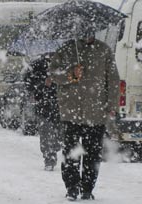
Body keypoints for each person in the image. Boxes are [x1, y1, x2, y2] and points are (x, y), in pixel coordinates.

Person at [45, 30, 120, 200]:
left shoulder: (104, 50)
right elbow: (53, 74)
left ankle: (87, 188)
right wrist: (70, 74)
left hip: (96, 112)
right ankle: (71, 187)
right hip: (71, 111)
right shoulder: (66, 50)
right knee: (71, 151)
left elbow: (113, 79)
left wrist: (112, 104)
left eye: (90, 30)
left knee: (92, 152)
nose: (87, 34)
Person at [24, 54, 61, 171]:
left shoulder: (64, 64)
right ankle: (49, 158)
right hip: (43, 105)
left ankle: (54, 148)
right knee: (45, 132)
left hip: (60, 105)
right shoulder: (37, 65)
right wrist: (42, 85)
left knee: (59, 134)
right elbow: (28, 82)